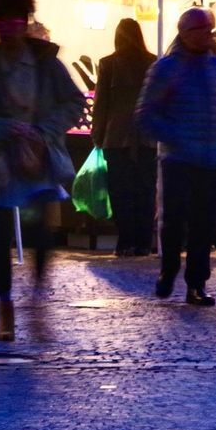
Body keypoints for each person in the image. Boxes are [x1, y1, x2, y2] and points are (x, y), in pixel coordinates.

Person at [0, 0, 85, 342]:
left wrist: (44, 130)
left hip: (37, 162)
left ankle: (37, 300)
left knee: (39, 233)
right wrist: (4, 128)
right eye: (1, 21)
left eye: (14, 20)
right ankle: (5, 309)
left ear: (25, 21)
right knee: (1, 234)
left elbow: (74, 101)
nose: (8, 27)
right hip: (1, 164)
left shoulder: (45, 62)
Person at [136, 8, 216, 306]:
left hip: (212, 158)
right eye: (203, 30)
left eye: (211, 29)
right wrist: (176, 136)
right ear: (186, 33)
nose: (209, 35)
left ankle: (197, 283)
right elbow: (146, 113)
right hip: (178, 159)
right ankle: (168, 269)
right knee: (174, 221)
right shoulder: (166, 68)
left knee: (205, 223)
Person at [93, 18, 158, 258]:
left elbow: (101, 104)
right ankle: (143, 241)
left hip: (116, 136)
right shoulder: (153, 62)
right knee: (145, 189)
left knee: (120, 191)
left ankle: (125, 241)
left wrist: (97, 134)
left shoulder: (108, 64)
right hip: (147, 136)